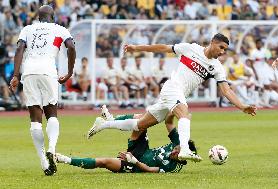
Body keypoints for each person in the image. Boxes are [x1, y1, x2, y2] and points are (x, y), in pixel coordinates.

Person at [87, 33, 257, 163]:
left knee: (141, 124)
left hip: (176, 95)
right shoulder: (191, 48)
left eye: (225, 50)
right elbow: (163, 48)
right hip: (172, 87)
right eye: (220, 47)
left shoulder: (217, 68)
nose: (222, 52)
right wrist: (137, 48)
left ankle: (104, 124)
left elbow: (226, 91)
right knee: (184, 114)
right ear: (212, 42)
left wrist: (242, 106)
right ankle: (184, 149)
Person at [9, 5, 76, 176]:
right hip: (48, 71)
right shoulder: (60, 29)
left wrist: (16, 75)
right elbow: (71, 46)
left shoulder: (27, 29)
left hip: (29, 72)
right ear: (52, 17)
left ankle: (44, 163)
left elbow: (19, 49)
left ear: (39, 17)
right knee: (51, 113)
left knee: (35, 118)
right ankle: (52, 148)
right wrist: (69, 72)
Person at [58, 106, 197, 173]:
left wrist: (133, 160)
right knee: (141, 119)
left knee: (104, 162)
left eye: (177, 154)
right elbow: (168, 122)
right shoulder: (179, 142)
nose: (174, 151)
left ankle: (63, 159)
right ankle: (111, 120)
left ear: (183, 158)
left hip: (136, 164)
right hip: (142, 149)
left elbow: (149, 170)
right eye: (177, 149)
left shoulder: (172, 168)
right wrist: (176, 111)